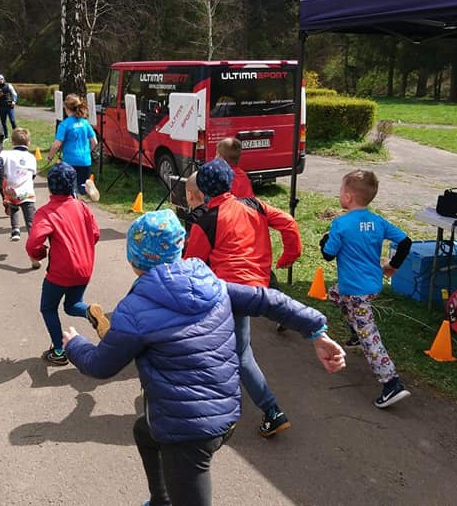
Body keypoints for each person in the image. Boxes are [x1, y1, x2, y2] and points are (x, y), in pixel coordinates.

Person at [64, 209, 346, 506]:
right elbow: (268, 299)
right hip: (225, 414)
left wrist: (74, 345)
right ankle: (161, 499)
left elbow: (100, 365)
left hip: (188, 433)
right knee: (144, 432)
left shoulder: (133, 310)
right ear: (179, 248)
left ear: (133, 260)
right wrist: (316, 331)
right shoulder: (211, 282)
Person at [183, 159, 302, 437]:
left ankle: (271, 410)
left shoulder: (206, 222)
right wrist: (289, 256)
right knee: (229, 345)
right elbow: (288, 223)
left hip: (230, 293)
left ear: (201, 189)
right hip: (258, 288)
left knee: (239, 353)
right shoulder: (255, 205)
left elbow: (191, 267)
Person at [320, 169, 413, 408]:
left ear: (349, 197)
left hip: (355, 290)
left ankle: (391, 382)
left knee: (369, 336)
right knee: (334, 294)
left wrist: (324, 240)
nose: (339, 194)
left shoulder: (340, 224)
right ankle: (354, 331)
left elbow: (328, 254)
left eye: (341, 190)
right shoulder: (378, 221)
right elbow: (405, 241)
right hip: (370, 284)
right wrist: (393, 266)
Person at [25, 163, 104, 365]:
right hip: (85, 268)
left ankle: (59, 351)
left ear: (50, 188)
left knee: (48, 308)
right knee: (72, 305)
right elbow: (95, 234)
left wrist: (40, 253)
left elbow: (33, 242)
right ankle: (89, 312)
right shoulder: (82, 207)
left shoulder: (46, 213)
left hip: (60, 271)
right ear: (73, 186)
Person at [47, 94, 100, 201]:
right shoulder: (85, 123)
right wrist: (88, 152)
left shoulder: (65, 124)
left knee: (70, 186)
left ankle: (73, 205)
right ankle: (87, 189)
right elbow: (94, 141)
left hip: (70, 161)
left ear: (66, 108)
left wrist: (50, 157)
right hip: (85, 159)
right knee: (81, 185)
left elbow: (57, 144)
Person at [0, 128, 37, 245]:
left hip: (11, 190)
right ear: (28, 143)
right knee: (31, 219)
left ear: (12, 142)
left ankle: (15, 229)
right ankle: (34, 240)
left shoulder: (6, 154)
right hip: (27, 192)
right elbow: (33, 174)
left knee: (13, 208)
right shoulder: (31, 157)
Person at [0, 73, 18, 138]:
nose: (0, 80)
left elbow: (15, 94)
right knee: (3, 122)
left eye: (1, 79)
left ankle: (16, 134)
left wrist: (14, 101)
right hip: (2, 107)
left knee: (12, 121)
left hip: (9, 106)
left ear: (4, 79)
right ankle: (6, 135)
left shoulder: (8, 85)